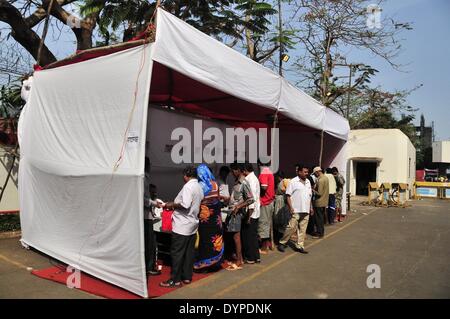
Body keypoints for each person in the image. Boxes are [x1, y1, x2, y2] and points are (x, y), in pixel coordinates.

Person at [160, 166, 204, 288]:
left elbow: (185, 204)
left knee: (177, 253)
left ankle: (175, 279)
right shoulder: (199, 186)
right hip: (192, 224)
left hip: (182, 225)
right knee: (188, 253)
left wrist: (171, 205)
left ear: (186, 175)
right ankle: (187, 277)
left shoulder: (188, 186)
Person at [194, 165, 224, 271]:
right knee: (215, 239)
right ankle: (215, 264)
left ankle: (204, 265)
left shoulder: (200, 186)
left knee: (205, 240)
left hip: (205, 219)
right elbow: (218, 199)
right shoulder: (215, 184)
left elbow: (197, 203)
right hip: (216, 218)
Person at [277, 164, 313, 254]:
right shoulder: (293, 181)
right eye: (304, 172)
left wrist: (311, 207)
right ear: (299, 172)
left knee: (302, 229)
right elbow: (288, 195)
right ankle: (282, 242)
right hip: (296, 209)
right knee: (291, 227)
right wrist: (291, 207)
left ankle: (300, 245)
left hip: (306, 209)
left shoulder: (308, 181)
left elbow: (309, 196)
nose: (306, 174)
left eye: (307, 172)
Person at [225, 162, 255, 270]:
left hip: (237, 214)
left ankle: (239, 261)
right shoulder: (237, 182)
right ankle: (240, 258)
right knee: (235, 237)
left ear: (238, 170)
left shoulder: (243, 183)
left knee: (236, 237)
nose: (232, 173)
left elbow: (251, 199)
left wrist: (238, 206)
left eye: (233, 171)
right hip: (232, 212)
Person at [242, 162, 261, 264]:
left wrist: (249, 215)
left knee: (249, 236)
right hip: (255, 211)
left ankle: (250, 257)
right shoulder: (254, 178)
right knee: (253, 235)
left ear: (245, 170)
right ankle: (256, 256)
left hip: (252, 212)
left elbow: (251, 199)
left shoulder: (250, 180)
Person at [144, 183, 162, 276]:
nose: (155, 194)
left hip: (150, 221)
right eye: (152, 192)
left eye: (155, 192)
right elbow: (145, 202)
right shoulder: (148, 200)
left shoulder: (155, 200)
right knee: (149, 245)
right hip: (146, 220)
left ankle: (150, 266)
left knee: (151, 245)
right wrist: (154, 203)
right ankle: (149, 267)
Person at [257, 160, 276, 253]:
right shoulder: (270, 172)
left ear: (259, 164)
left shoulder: (264, 173)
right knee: (267, 224)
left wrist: (257, 188)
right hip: (270, 201)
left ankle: (264, 248)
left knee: (263, 224)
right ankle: (268, 244)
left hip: (265, 202)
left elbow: (264, 187)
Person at [312, 166, 329, 239]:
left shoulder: (321, 180)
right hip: (324, 201)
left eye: (315, 173)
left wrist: (312, 190)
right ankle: (320, 232)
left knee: (318, 219)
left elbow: (319, 193)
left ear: (317, 172)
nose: (315, 175)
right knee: (321, 218)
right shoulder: (325, 178)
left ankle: (320, 233)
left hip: (319, 202)